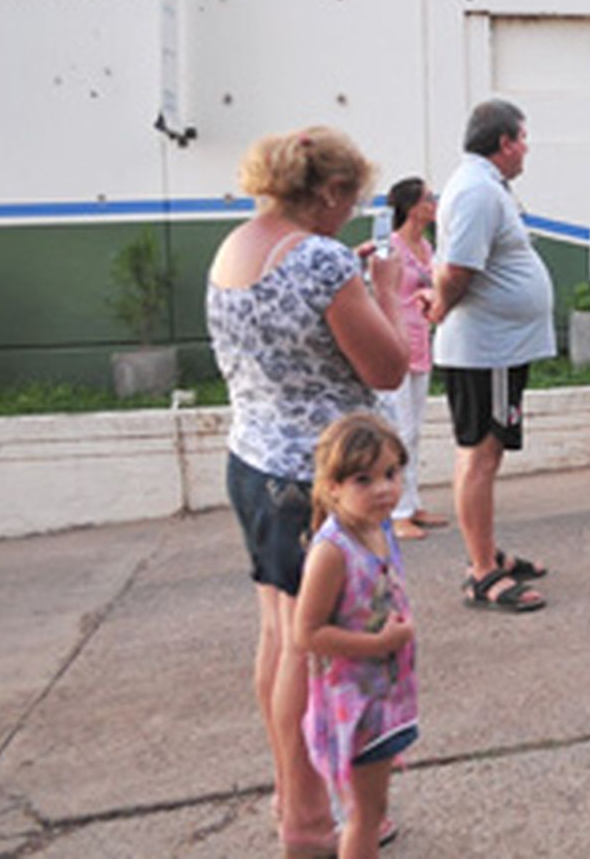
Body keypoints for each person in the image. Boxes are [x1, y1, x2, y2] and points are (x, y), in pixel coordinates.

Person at [206, 126, 408, 852]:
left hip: (253, 464)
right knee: (313, 651)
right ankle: (311, 822)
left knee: (278, 637)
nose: (350, 215)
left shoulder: (234, 248)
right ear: (326, 193)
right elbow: (387, 367)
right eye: (349, 199)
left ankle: (293, 796)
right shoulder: (322, 261)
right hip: (316, 481)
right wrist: (380, 288)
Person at [426, 98, 552, 612]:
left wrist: (437, 302)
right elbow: (458, 270)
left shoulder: (482, 186)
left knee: (483, 453)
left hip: (496, 345)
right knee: (480, 454)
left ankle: (487, 553)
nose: (526, 149)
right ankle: (482, 573)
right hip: (489, 347)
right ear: (504, 142)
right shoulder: (478, 190)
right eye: (522, 139)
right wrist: (438, 308)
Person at [296, 412, 419, 859]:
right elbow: (306, 633)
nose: (385, 488)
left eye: (391, 473)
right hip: (355, 706)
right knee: (365, 817)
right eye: (364, 479)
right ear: (332, 487)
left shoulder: (378, 526)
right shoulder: (333, 551)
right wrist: (380, 645)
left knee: (373, 808)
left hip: (384, 696)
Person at [381, 177, 448, 542]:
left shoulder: (425, 246)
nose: (434, 204)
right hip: (395, 343)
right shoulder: (389, 248)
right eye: (428, 198)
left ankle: (413, 501)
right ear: (411, 207)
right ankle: (396, 511)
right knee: (399, 429)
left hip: (421, 341)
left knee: (416, 428)